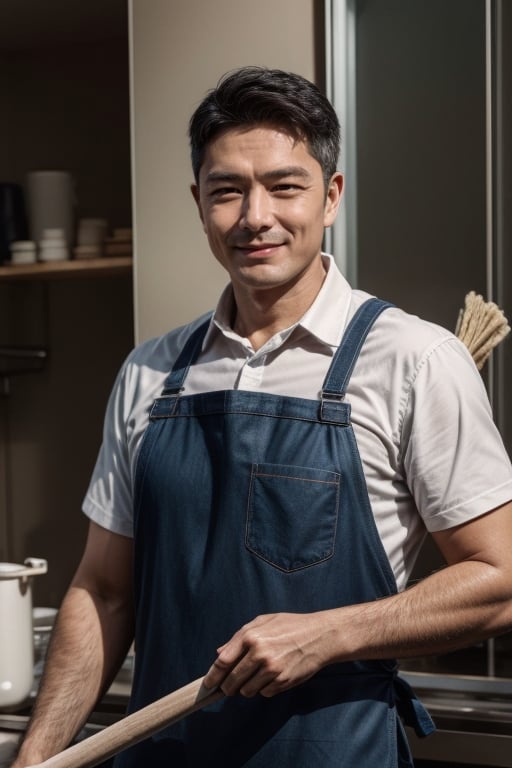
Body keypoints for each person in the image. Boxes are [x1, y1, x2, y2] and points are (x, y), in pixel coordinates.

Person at [12, 66, 512, 768]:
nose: (255, 217)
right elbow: (103, 590)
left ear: (331, 196)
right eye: (227, 191)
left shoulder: (416, 361)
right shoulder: (150, 374)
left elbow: (501, 579)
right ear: (199, 203)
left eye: (284, 186)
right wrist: (36, 756)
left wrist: (328, 634)